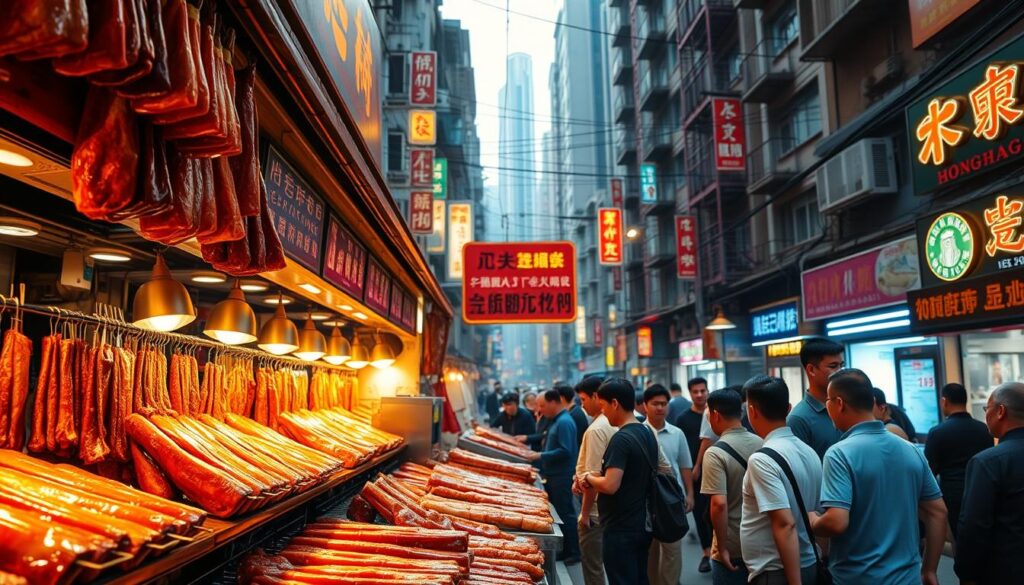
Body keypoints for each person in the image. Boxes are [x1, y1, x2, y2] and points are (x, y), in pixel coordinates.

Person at [809, 369, 946, 585]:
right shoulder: (910, 450)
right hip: (908, 578)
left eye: (827, 400)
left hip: (857, 578)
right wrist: (929, 569)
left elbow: (836, 523)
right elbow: (937, 512)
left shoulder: (839, 454)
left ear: (839, 403)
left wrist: (813, 520)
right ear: (872, 401)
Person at [580, 378, 670, 585]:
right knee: (639, 578)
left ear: (614, 403)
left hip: (621, 527)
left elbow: (611, 485)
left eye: (603, 406)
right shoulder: (646, 432)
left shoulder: (621, 440)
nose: (603, 413)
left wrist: (588, 477)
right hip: (642, 523)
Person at [740, 376, 822, 585]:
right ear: (788, 408)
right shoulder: (809, 451)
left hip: (777, 570)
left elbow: (785, 524)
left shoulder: (762, 460)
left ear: (752, 411)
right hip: (809, 561)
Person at [954, 382, 1024, 584]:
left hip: (1005, 571)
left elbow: (974, 526)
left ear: (1000, 411)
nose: (986, 415)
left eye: (987, 408)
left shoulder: (988, 462)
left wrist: (966, 574)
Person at [701, 388, 763, 585]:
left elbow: (719, 504)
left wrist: (722, 547)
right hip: (762, 540)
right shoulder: (763, 443)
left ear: (715, 415)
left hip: (734, 544)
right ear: (741, 413)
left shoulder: (715, 453)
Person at [924, 382, 993, 540]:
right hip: (982, 491)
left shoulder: (937, 433)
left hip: (952, 496)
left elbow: (930, 472)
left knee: (959, 541)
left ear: (944, 401)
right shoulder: (984, 429)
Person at [642, 384, 694, 585]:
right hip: (647, 503)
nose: (659, 408)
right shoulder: (638, 432)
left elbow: (685, 466)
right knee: (650, 553)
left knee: (672, 552)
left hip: (672, 501)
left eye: (663, 404)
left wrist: (689, 494)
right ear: (645, 406)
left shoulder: (677, 434)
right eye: (655, 403)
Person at [526, 390, 580, 563]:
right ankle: (565, 549)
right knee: (560, 514)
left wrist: (541, 455)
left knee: (566, 513)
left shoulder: (564, 422)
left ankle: (574, 552)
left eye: (542, 405)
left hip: (562, 475)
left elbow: (566, 451)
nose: (540, 409)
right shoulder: (555, 421)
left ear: (553, 402)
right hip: (554, 474)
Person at [573, 375, 616, 585]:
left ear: (596, 397)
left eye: (583, 399)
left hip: (596, 511)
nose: (582, 405)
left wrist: (584, 513)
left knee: (593, 567)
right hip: (615, 509)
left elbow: (593, 476)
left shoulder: (597, 429)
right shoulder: (621, 422)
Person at [677, 376, 713, 573]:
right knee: (700, 514)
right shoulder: (683, 419)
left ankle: (717, 548)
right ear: (690, 393)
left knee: (717, 511)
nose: (700, 394)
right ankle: (706, 552)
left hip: (716, 471)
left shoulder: (714, 414)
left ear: (708, 391)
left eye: (702, 390)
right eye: (695, 391)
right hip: (695, 475)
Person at [788, 337, 845, 459]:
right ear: (811, 370)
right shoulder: (798, 419)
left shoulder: (846, 405)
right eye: (833, 366)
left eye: (842, 365)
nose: (840, 372)